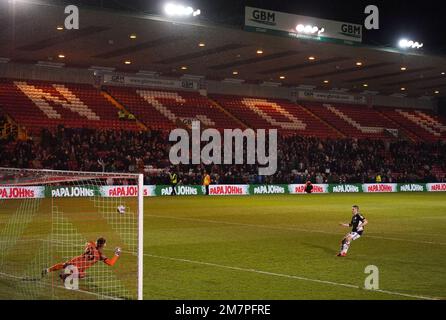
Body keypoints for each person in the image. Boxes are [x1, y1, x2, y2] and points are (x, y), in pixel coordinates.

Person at [42, 237, 121, 280]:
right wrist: (116, 254)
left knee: (63, 265)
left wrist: (94, 245)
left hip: (76, 260)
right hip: (81, 267)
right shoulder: (100, 255)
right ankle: (66, 275)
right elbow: (111, 263)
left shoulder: (90, 244)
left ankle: (47, 270)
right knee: (82, 275)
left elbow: (87, 244)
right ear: (103, 245)